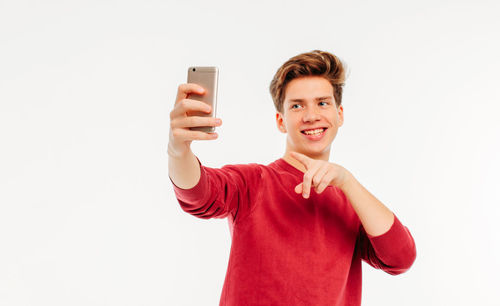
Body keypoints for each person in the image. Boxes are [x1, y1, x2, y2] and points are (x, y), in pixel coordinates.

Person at [168, 50, 416, 306]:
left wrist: (347, 181)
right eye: (297, 105)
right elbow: (197, 194)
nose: (311, 116)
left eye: (322, 103)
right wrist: (177, 150)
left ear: (339, 114)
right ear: (281, 121)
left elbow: (401, 257)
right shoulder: (254, 182)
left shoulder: (353, 201)